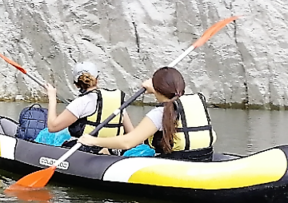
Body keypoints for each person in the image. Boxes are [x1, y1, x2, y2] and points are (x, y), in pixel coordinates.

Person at [78, 67, 216, 161]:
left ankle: (107, 151)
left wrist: (93, 140)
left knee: (120, 149)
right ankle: (110, 151)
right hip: (202, 158)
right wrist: (155, 87)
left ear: (157, 88)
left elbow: (128, 142)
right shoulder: (194, 104)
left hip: (173, 163)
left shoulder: (159, 113)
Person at [44, 61, 133, 144]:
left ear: (76, 84)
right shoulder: (115, 101)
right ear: (97, 79)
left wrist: (52, 98)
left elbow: (53, 127)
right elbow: (131, 133)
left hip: (85, 151)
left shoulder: (81, 102)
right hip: (113, 151)